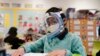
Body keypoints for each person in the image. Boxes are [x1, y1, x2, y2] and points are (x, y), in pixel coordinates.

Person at [11, 7, 86, 56]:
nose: (51, 25)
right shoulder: (47, 38)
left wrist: (66, 53)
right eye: (49, 22)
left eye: (54, 21)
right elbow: (32, 46)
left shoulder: (74, 39)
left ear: (64, 21)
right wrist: (23, 49)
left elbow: (81, 55)